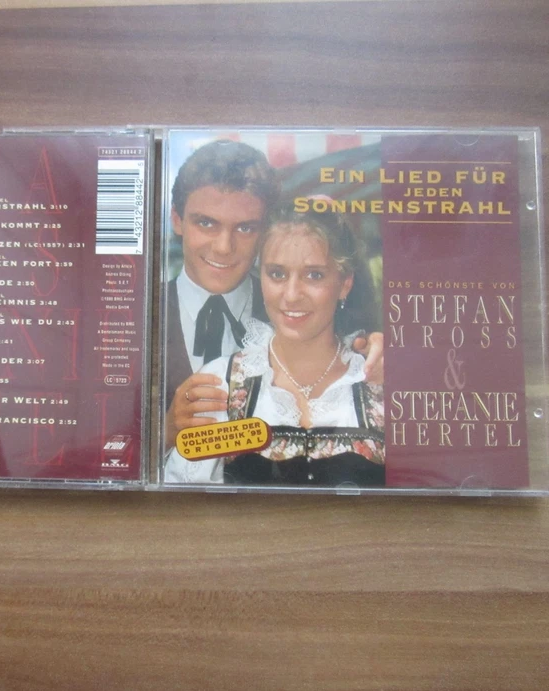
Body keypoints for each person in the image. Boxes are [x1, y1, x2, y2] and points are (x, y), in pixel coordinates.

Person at [164, 139, 383, 450]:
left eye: (245, 228)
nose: (224, 247)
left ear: (265, 232)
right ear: (176, 220)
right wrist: (163, 433)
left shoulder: (298, 311)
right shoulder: (134, 316)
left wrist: (385, 351)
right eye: (206, 223)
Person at [164, 206, 385, 487]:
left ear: (345, 284)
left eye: (314, 275)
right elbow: (185, 500)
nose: (291, 295)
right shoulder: (221, 384)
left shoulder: (378, 377)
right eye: (277, 274)